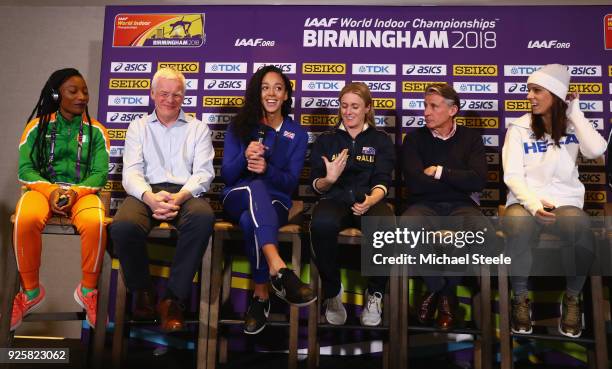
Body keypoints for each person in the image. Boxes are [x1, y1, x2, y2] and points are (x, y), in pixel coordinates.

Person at [502, 63, 606, 338]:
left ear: (555, 94)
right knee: (518, 225)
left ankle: (573, 299)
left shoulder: (573, 125)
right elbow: (512, 176)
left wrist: (576, 113)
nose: (529, 96)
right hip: (525, 202)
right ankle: (521, 299)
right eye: (528, 90)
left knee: (580, 228)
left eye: (536, 90)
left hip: (565, 203)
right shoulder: (519, 127)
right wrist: (534, 206)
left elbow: (597, 149)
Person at [110, 68, 215, 332]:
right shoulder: (138, 126)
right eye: (164, 93)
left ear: (184, 97)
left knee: (203, 218)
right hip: (147, 191)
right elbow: (131, 171)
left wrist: (178, 198)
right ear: (153, 94)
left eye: (177, 94)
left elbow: (203, 173)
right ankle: (143, 293)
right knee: (122, 225)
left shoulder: (198, 128)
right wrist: (149, 197)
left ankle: (172, 300)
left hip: (185, 192)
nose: (170, 99)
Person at [11, 68, 110, 330]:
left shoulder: (97, 131)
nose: (81, 96)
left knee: (96, 221)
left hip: (81, 193)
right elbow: (25, 170)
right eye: (73, 91)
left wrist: (74, 192)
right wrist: (51, 191)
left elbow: (99, 174)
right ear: (56, 94)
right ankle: (30, 292)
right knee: (26, 216)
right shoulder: (36, 127)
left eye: (85, 91)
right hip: (43, 191)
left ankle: (88, 291)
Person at [221, 65, 314, 335]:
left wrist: (267, 168)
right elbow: (227, 176)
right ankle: (279, 268)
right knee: (253, 189)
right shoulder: (239, 126)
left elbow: (290, 183)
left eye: (278, 88)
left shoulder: (297, 134)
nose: (271, 93)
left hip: (277, 202)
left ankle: (260, 296)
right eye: (265, 88)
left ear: (286, 95)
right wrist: (244, 157)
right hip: (238, 195)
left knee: (251, 221)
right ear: (257, 93)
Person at [401, 83, 489, 330]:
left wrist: (440, 172)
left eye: (433, 106)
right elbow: (416, 184)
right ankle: (442, 291)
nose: (426, 112)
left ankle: (436, 294)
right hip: (424, 206)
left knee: (481, 232)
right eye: (425, 106)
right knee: (407, 228)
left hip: (462, 206)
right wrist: (458, 179)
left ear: (452, 110)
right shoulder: (414, 139)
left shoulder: (471, 138)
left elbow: (479, 180)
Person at [309, 82, 395, 327]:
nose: (348, 112)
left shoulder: (380, 140)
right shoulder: (327, 140)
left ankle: (375, 293)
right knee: (321, 223)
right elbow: (315, 184)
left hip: (369, 200)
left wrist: (370, 200)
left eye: (355, 106)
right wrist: (329, 179)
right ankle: (333, 291)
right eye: (344, 106)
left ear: (367, 108)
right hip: (334, 199)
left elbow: (383, 180)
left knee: (385, 226)